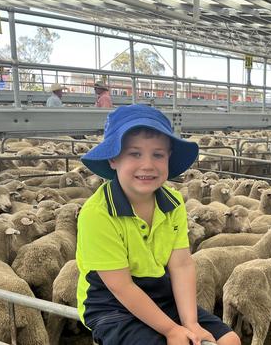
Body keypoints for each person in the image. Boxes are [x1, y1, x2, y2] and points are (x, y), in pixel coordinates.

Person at [76, 104, 240, 345]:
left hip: (161, 294)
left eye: (158, 154)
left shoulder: (172, 202)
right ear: (113, 158)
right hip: (111, 304)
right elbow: (121, 287)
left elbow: (181, 265)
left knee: (229, 340)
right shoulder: (98, 214)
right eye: (135, 153)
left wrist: (190, 323)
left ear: (168, 158)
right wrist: (172, 330)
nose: (147, 165)